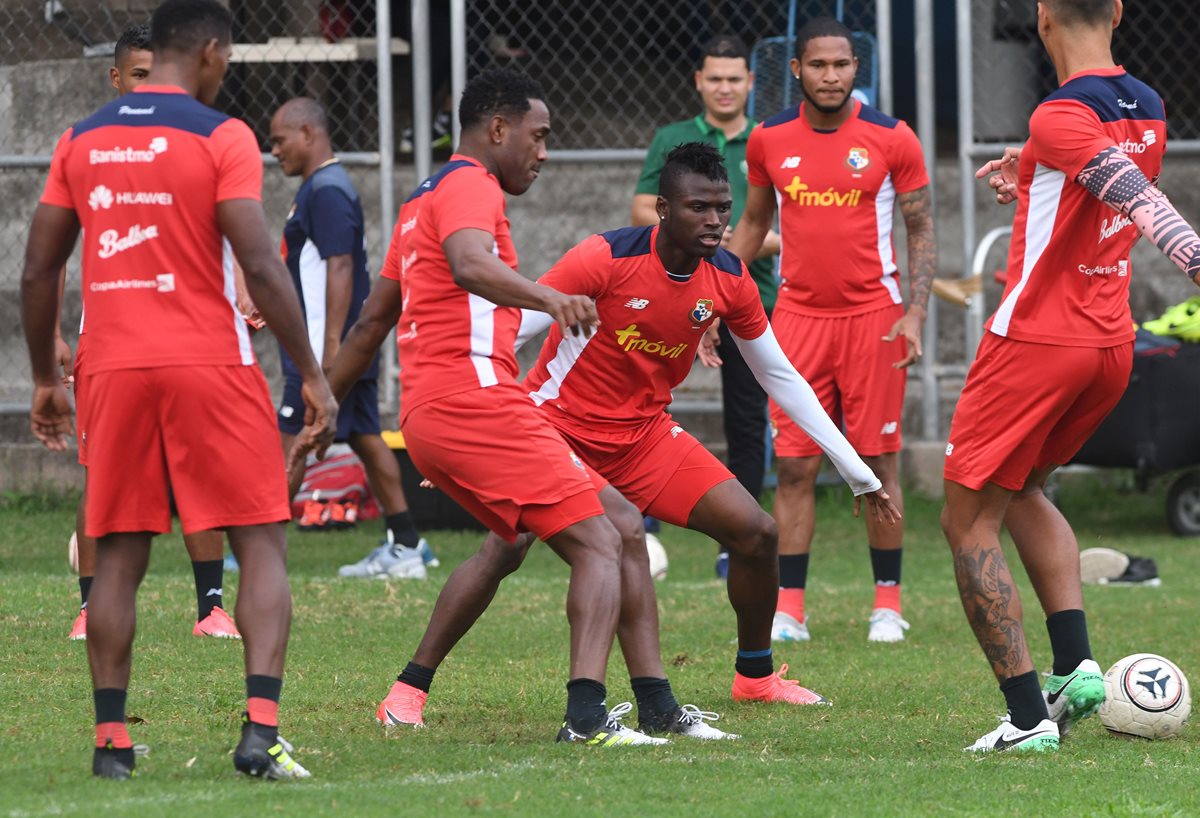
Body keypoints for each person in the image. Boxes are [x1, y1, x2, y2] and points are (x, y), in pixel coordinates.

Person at [360, 143, 899, 737]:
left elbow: (779, 376)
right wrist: (473, 428)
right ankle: (409, 689)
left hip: (643, 436)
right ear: (663, 209)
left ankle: (754, 677)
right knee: (506, 549)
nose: (716, 221)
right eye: (700, 208)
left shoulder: (728, 278)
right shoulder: (604, 256)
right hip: (555, 423)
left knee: (756, 532)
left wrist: (857, 470)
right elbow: (517, 324)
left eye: (723, 208)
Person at [22, 0, 337, 779]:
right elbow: (260, 263)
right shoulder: (219, 134)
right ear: (211, 50)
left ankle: (111, 744)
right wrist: (313, 375)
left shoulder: (81, 138)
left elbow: (38, 267)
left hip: (114, 367)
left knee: (119, 556)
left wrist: (40, 376)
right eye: (228, 57)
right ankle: (260, 732)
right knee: (260, 539)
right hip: (208, 363)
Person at [316, 68, 654, 746]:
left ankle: (408, 692)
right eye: (538, 136)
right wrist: (549, 296)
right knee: (601, 540)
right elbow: (471, 264)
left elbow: (374, 321)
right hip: (475, 402)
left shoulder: (422, 200)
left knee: (579, 528)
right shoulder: (471, 183)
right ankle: (587, 717)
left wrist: (319, 408)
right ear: (497, 130)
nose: (545, 151)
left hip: (439, 410)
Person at [949, 0, 1200, 752]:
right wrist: (1026, 168)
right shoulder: (1148, 104)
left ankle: (1027, 721)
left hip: (1035, 341)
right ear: (1118, 12)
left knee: (967, 520)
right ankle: (1076, 670)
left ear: (1041, 15)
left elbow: (1135, 198)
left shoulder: (1059, 113)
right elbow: (1095, 173)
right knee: (1021, 488)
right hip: (1108, 346)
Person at [726, 16, 935, 644]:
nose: (830, 76)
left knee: (876, 463)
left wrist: (917, 310)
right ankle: (790, 608)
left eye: (841, 65)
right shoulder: (767, 139)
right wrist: (711, 303)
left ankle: (887, 604)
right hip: (796, 322)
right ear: (797, 70)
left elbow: (921, 227)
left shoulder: (893, 138)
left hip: (876, 320)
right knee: (793, 469)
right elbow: (751, 224)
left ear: (855, 69)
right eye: (818, 65)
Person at [62, 23, 239, 643]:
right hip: (108, 337)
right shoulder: (89, 144)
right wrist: (56, 337)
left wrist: (240, 283)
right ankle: (90, 606)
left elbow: (225, 224)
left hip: (189, 337)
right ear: (117, 79)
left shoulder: (201, 139)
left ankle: (211, 606)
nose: (151, 85)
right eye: (138, 74)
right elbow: (52, 250)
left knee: (201, 473)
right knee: (102, 473)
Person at [630, 34, 781, 580]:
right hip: (669, 297)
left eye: (733, 78)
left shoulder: (768, 139)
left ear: (750, 82)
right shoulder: (674, 139)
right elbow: (643, 206)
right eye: (713, 78)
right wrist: (722, 238)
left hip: (749, 302)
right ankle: (639, 528)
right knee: (644, 402)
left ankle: (733, 542)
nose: (723, 87)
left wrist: (714, 247)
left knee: (746, 421)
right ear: (699, 81)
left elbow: (779, 232)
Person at [267, 96, 438, 579]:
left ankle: (259, 548)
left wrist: (327, 355)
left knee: (293, 440)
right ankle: (407, 545)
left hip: (325, 349)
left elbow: (340, 267)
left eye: (280, 140)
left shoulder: (326, 190)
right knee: (365, 435)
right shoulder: (323, 187)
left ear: (307, 132)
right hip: (338, 345)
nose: (274, 150)